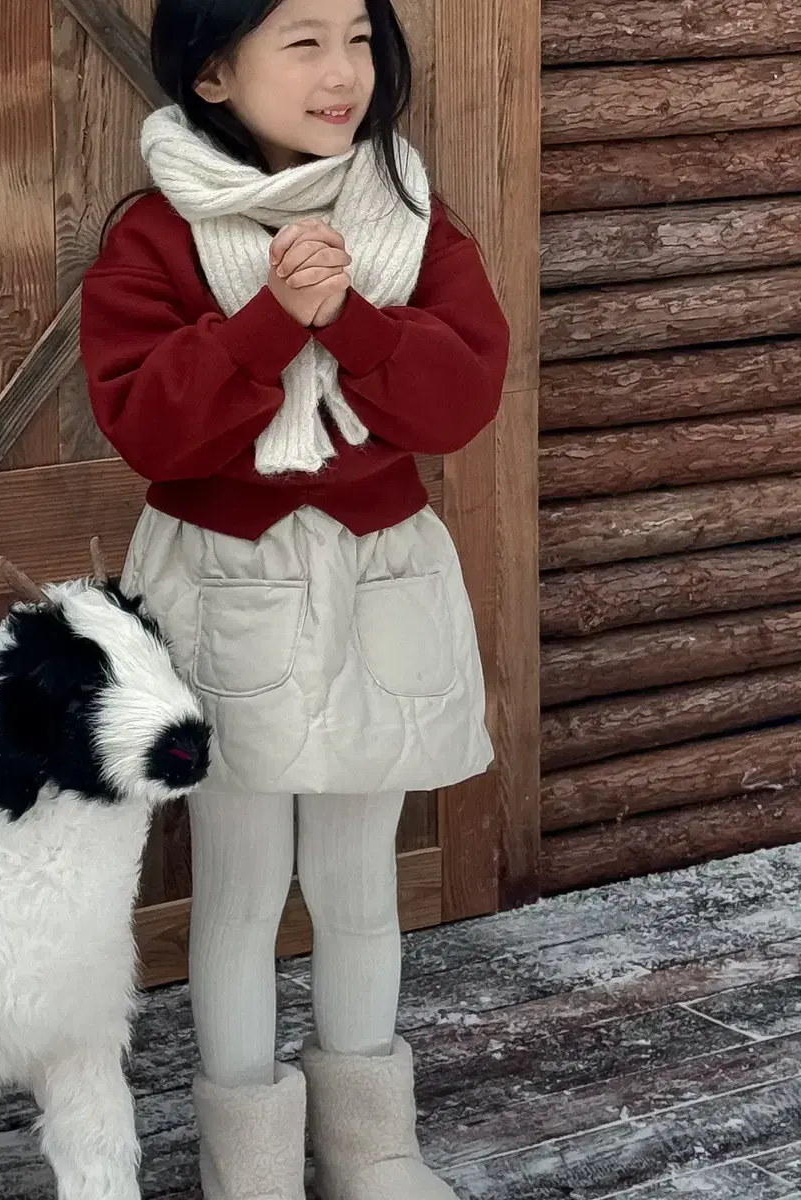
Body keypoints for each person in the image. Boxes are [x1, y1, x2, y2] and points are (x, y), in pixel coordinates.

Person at [80, 0, 509, 1197]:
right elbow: (151, 424)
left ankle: (374, 1144)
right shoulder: (156, 238)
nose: (343, 74)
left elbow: (457, 406)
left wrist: (352, 316)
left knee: (361, 879)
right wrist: (271, 319)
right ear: (214, 72)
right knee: (238, 886)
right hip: (228, 588)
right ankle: (249, 1163)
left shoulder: (412, 221)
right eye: (304, 43)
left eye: (360, 40)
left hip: (378, 581)